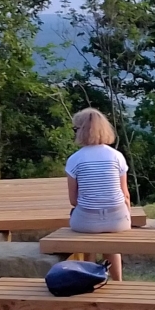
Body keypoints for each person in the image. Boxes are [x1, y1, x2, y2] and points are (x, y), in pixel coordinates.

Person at [65, 107, 131, 281]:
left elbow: (73, 201)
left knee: (88, 236)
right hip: (118, 221)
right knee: (112, 244)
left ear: (82, 131)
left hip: (86, 222)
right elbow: (125, 195)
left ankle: (91, 278)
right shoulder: (117, 156)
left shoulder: (75, 159)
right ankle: (118, 281)